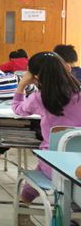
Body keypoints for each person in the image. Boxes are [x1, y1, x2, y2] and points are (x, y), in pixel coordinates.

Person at [12, 52, 81, 208]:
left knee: (42, 165)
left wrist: (21, 85)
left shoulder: (39, 98)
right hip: (78, 164)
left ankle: (24, 203)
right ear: (67, 68)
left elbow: (17, 109)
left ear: (35, 76)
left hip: (53, 165)